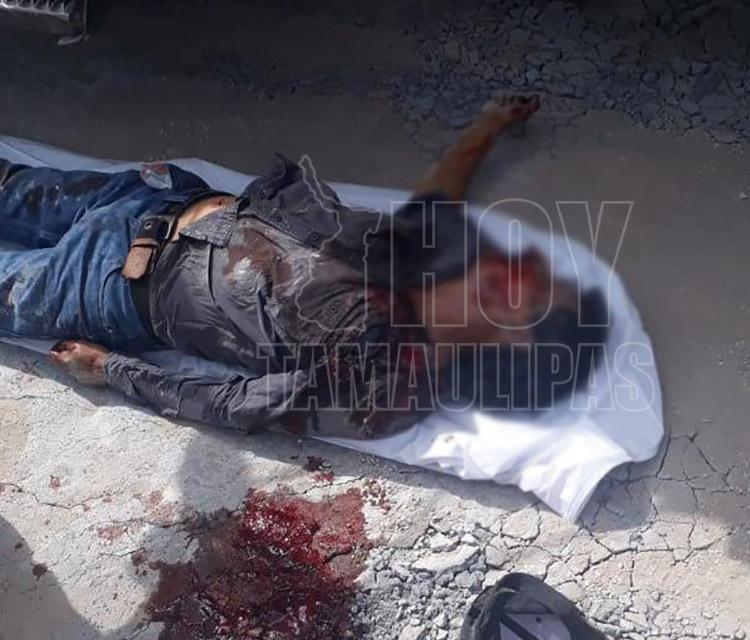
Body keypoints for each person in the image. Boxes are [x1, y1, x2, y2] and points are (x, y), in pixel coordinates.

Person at [0, 94, 608, 439]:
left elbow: (236, 404)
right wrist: (491, 125)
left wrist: (113, 369)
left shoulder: (390, 388)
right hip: (151, 198)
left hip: (111, 286)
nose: (518, 270)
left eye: (530, 298)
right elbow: (439, 195)